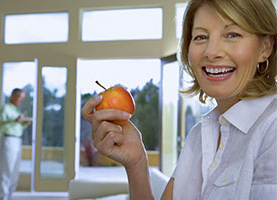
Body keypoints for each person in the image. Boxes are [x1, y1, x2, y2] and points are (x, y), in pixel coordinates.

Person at [81, 0, 277, 199]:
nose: (211, 52)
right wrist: (136, 162)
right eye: (201, 37)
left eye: (232, 35)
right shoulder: (199, 137)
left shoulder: (272, 129)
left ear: (265, 47)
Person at [0, 88, 32, 200]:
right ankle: (2, 197)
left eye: (22, 98)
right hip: (8, 140)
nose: (21, 100)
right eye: (20, 97)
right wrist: (14, 121)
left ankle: (9, 196)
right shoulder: (5, 108)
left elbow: (16, 126)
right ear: (13, 96)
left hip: (17, 140)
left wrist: (24, 124)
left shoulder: (16, 110)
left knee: (15, 171)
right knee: (7, 170)